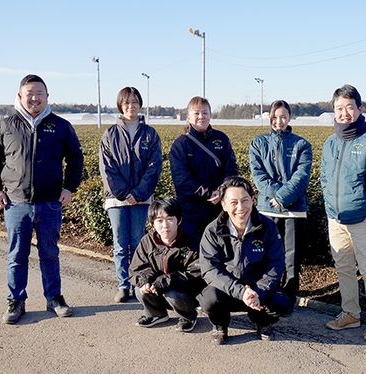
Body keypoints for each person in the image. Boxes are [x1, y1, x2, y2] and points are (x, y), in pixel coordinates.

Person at [0, 74, 84, 324]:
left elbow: (75, 159)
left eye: (40, 93)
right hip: (16, 203)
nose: (35, 97)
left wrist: (69, 187)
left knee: (50, 253)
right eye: (30, 93)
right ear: (19, 96)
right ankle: (16, 300)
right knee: (17, 255)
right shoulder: (6, 126)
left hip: (50, 203)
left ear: (47, 97)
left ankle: (54, 298)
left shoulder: (60, 126)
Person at [319, 84, 366, 342]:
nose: (344, 113)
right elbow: (324, 178)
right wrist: (330, 209)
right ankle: (350, 313)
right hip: (336, 219)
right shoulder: (330, 142)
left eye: (349, 107)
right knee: (344, 268)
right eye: (339, 108)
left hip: (364, 220)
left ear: (360, 109)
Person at [197, 176, 291, 345]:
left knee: (282, 302)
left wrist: (258, 292)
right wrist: (240, 291)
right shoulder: (212, 230)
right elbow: (209, 269)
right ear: (223, 205)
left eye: (245, 200)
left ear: (253, 201)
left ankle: (262, 321)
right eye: (233, 202)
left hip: (257, 292)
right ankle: (220, 325)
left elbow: (275, 264)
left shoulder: (268, 227)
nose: (240, 207)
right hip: (228, 291)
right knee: (208, 298)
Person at [100, 87, 162, 303]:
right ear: (120, 105)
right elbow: (107, 169)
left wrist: (138, 193)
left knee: (137, 242)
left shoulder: (150, 134)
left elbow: (154, 167)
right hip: (116, 200)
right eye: (126, 102)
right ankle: (122, 285)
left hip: (142, 199)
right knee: (119, 243)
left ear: (140, 104)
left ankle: (137, 283)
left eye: (135, 102)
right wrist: (124, 194)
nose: (131, 106)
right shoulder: (110, 134)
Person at [249, 100, 312, 306]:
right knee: (267, 254)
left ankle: (289, 297)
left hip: (294, 211)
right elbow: (258, 175)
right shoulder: (258, 143)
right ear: (269, 117)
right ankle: (266, 293)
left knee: (292, 257)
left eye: (283, 116)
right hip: (267, 209)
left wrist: (282, 198)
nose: (279, 121)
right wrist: (275, 196)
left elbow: (301, 177)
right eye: (275, 117)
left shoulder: (301, 145)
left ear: (290, 117)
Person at [169, 96, 238, 249]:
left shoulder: (221, 138)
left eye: (205, 113)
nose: (201, 117)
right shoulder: (180, 145)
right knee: (195, 256)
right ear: (188, 117)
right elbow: (182, 180)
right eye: (197, 113)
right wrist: (208, 194)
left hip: (220, 209)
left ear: (210, 115)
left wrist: (222, 191)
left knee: (222, 252)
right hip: (192, 213)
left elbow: (231, 169)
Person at [128, 198, 204, 332]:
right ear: (152, 223)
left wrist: (167, 280)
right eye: (159, 220)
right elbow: (136, 268)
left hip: (184, 291)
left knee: (172, 293)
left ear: (178, 220)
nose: (165, 225)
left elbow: (196, 271)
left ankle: (188, 316)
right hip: (157, 288)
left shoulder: (190, 242)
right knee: (139, 290)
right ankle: (156, 314)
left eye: (170, 219)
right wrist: (145, 280)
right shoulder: (147, 241)